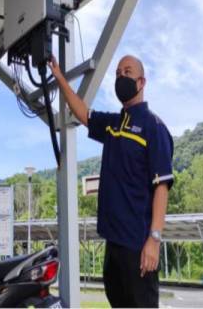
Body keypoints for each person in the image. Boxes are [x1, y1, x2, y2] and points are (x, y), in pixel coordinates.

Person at [49, 55, 173, 308]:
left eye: (127, 72)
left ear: (141, 82)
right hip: (113, 244)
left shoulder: (154, 127)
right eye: (117, 73)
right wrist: (60, 77)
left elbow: (162, 186)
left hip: (138, 247)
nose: (121, 77)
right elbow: (82, 112)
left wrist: (154, 239)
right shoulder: (114, 124)